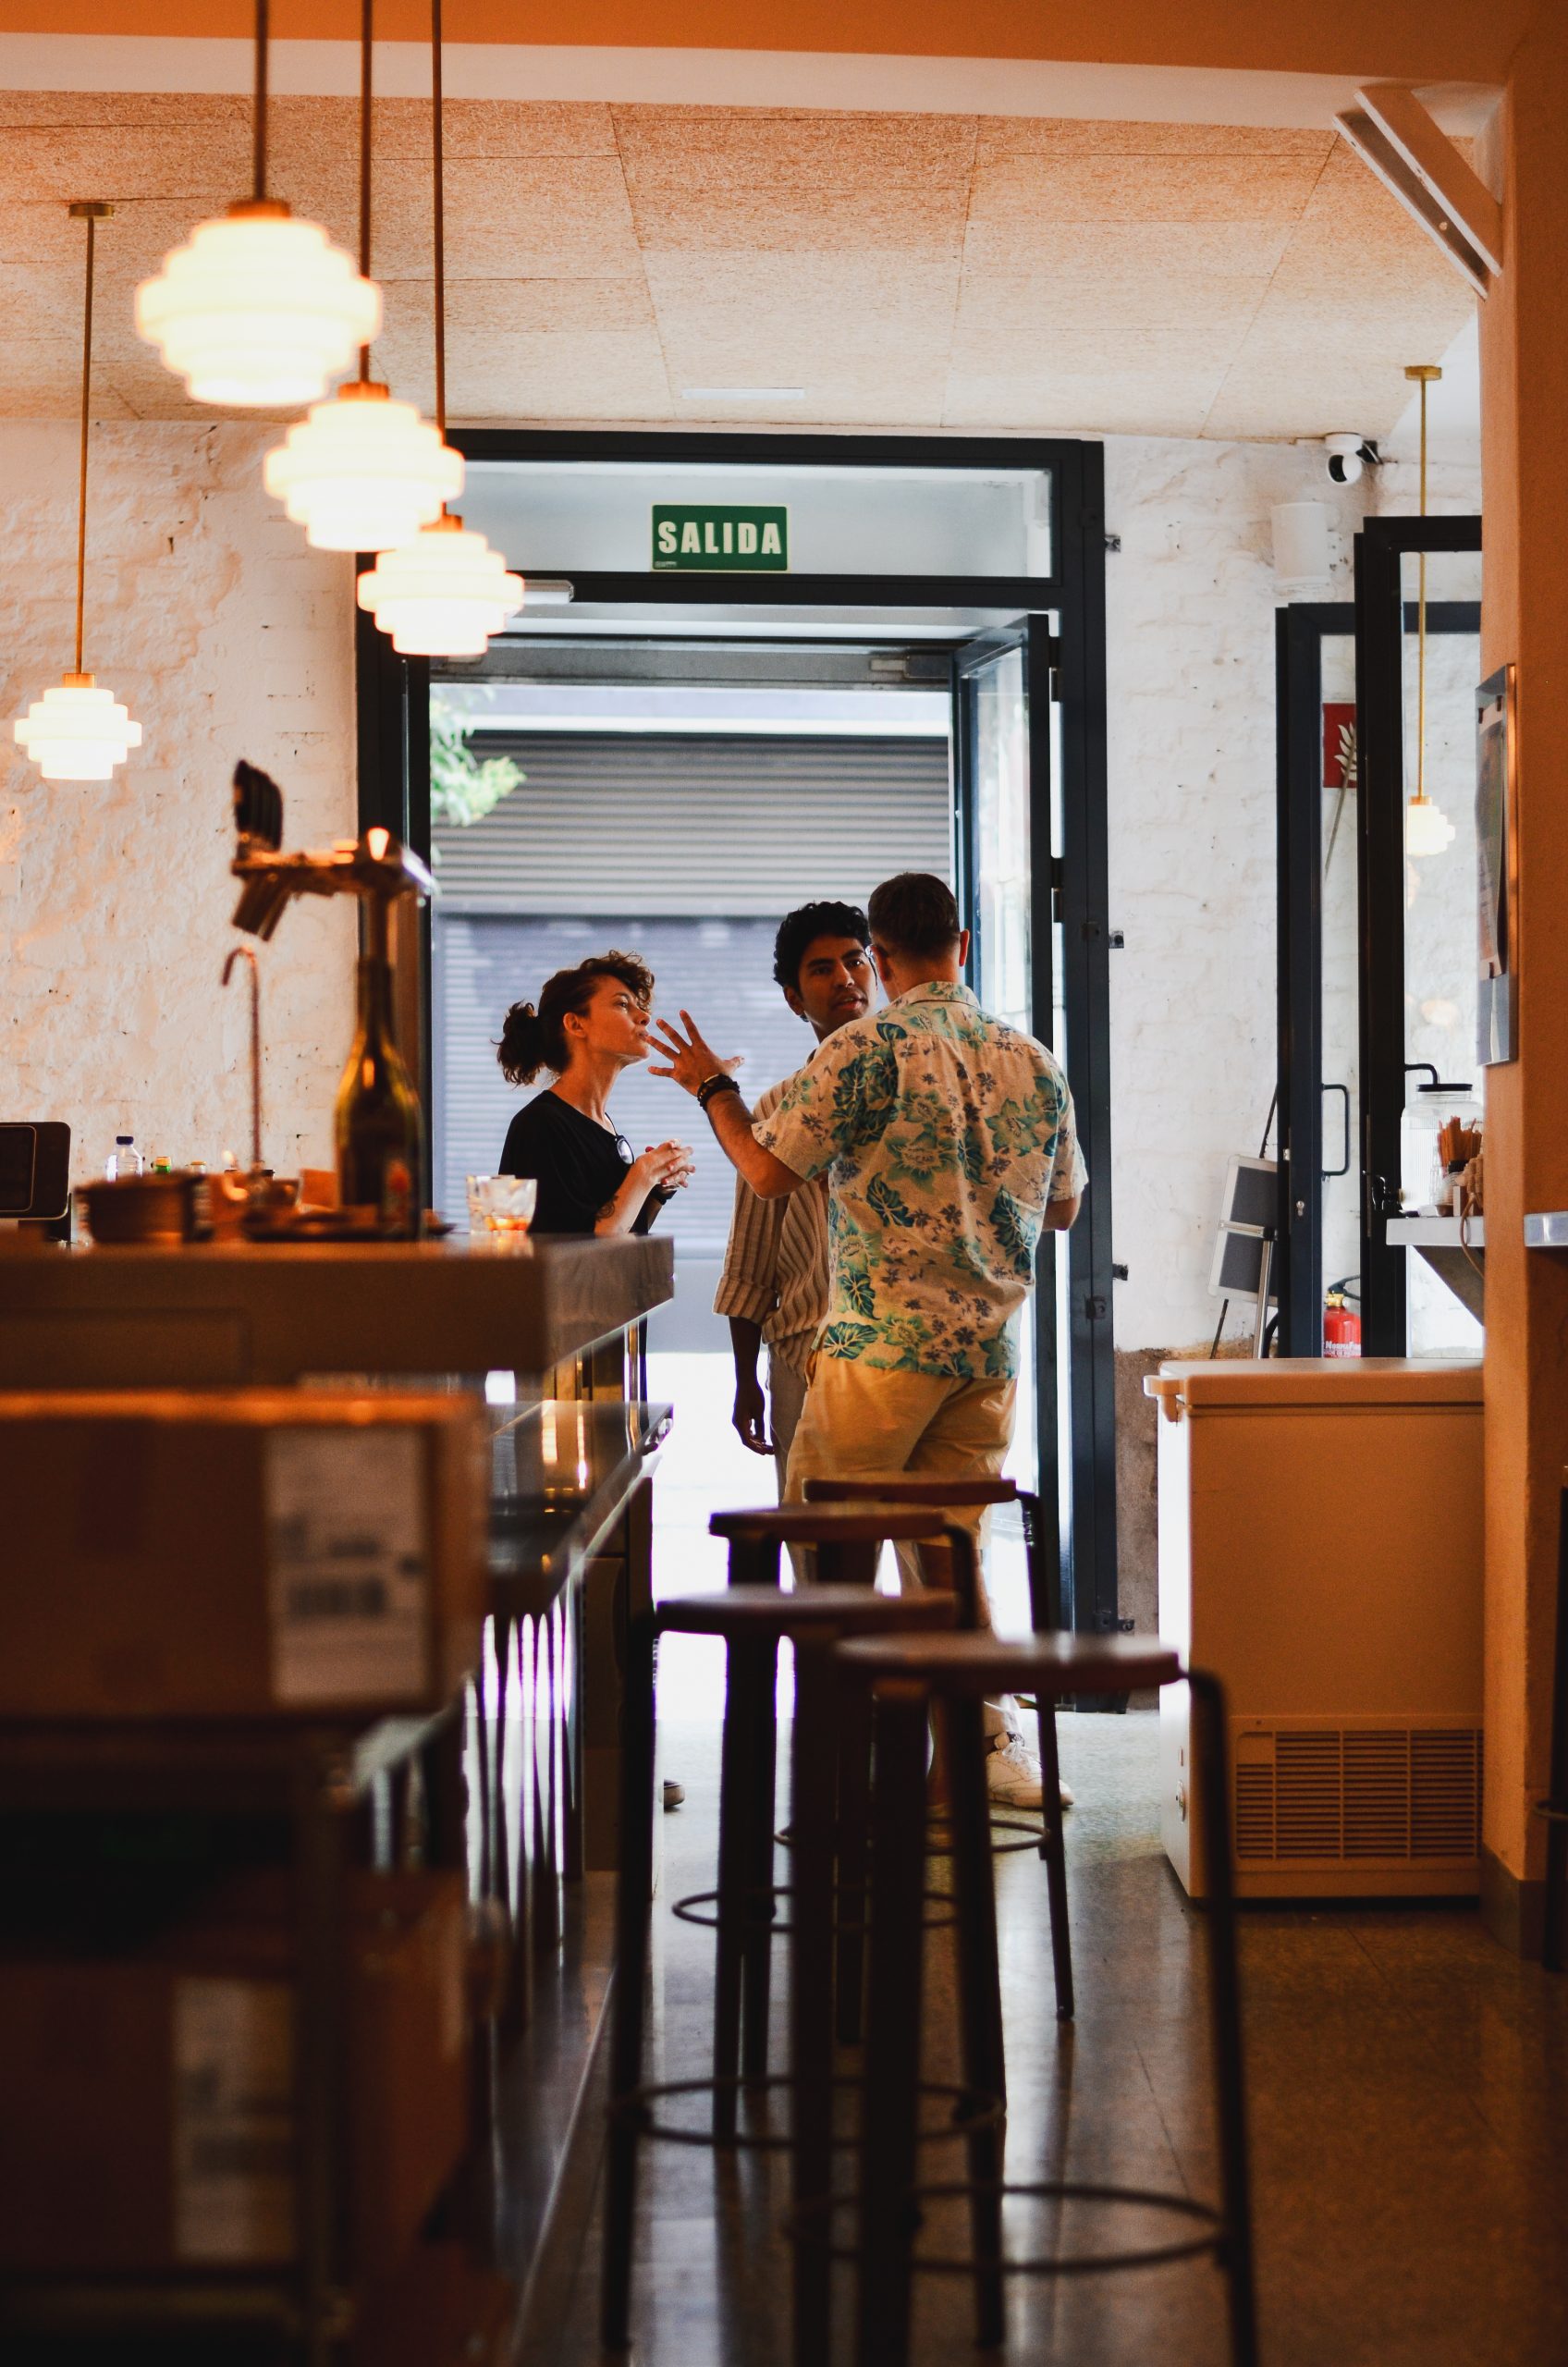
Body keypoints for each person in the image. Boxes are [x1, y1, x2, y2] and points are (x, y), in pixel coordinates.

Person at [649, 872, 1084, 1809]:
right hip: (986, 1362)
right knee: (950, 1560)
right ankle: (964, 1766)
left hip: (877, 1354)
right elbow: (1065, 1206)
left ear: (881, 959)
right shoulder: (1034, 1059)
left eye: (860, 959)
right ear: (961, 946)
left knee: (832, 1565)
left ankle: (841, 1774)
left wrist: (714, 1089)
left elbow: (766, 1175)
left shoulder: (865, 1048)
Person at [714, 900, 874, 1491]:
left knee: (926, 1564)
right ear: (793, 996)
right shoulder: (777, 1109)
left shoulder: (920, 1079)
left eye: (855, 961)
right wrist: (743, 1377)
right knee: (816, 1558)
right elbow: (751, 1262)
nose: (844, 979)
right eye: (821, 968)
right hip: (805, 1355)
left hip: (908, 1356)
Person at [496, 950, 692, 1234]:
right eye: (622, 1004)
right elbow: (584, 1247)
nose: (644, 1017)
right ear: (576, 1024)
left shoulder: (603, 1125)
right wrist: (643, 1173)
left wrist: (657, 1188)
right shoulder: (540, 1125)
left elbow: (622, 1234)